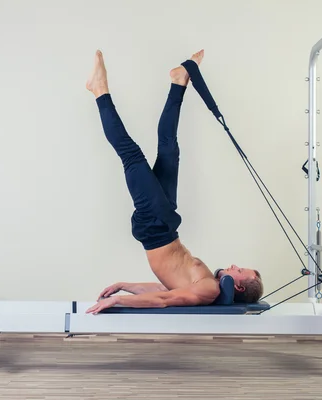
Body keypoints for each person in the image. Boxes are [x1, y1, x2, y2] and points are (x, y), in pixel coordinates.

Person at [85, 49, 263, 314]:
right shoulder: (208, 282)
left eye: (240, 271)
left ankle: (99, 90)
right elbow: (162, 290)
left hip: (156, 225)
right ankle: (179, 81)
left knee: (131, 154)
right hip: (166, 221)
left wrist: (118, 300)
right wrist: (125, 285)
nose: (235, 266)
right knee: (169, 148)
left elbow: (164, 300)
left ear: (238, 287)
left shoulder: (209, 289)